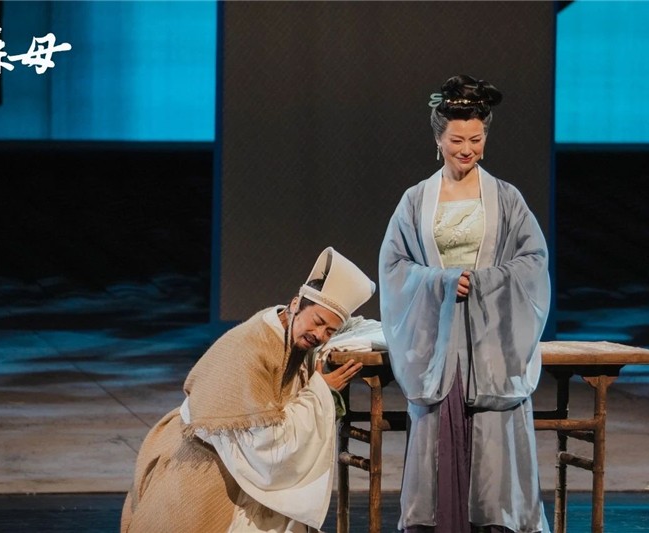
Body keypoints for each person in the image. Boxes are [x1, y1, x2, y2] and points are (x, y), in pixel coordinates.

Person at [379, 74, 551, 533]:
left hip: (491, 336)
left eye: (476, 139)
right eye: (457, 140)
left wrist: (483, 283)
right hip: (438, 338)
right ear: (439, 140)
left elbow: (533, 261)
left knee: (494, 445)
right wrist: (440, 281)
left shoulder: (507, 199)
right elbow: (394, 265)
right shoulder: (416, 200)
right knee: (437, 434)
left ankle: (496, 521)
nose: (467, 149)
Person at [121, 246, 376, 533]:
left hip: (236, 456)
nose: (319, 335)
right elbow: (266, 442)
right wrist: (320, 393)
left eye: (330, 331)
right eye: (317, 322)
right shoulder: (252, 349)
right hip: (205, 457)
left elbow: (359, 330)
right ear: (295, 304)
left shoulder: (288, 330)